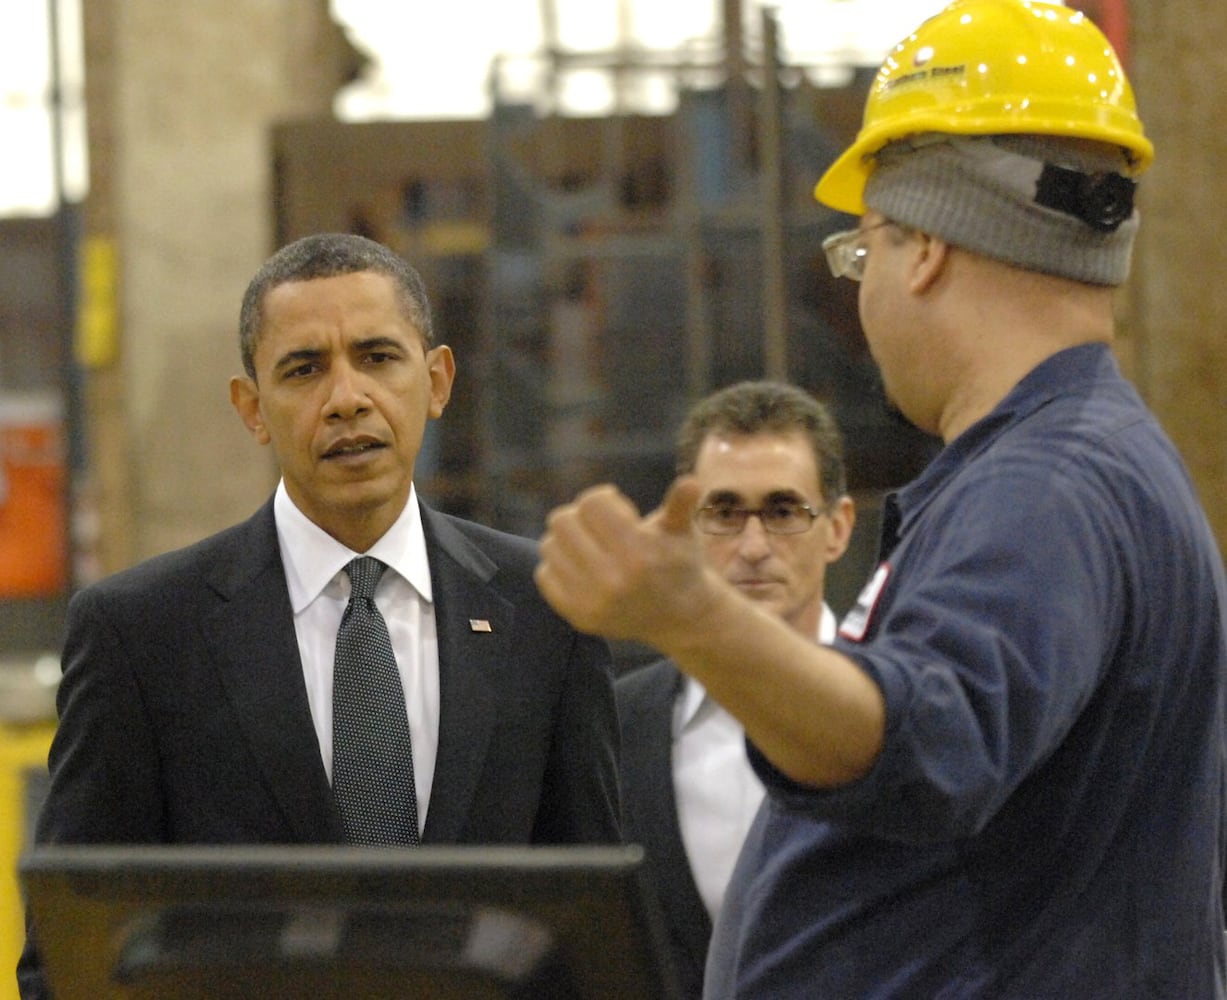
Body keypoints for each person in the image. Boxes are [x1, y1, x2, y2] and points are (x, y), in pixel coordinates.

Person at [534, 2, 1227, 996]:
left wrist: (695, 618)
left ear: (928, 245)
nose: (861, 296)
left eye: (862, 254)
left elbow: (930, 740)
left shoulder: (1045, 488)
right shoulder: (1072, 464)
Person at [18, 233, 621, 998]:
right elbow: (70, 955)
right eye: (304, 370)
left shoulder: (549, 604)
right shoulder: (140, 634)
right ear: (252, 408)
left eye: (377, 357)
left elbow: (598, 930)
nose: (346, 399)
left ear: (436, 381)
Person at [616, 380, 854, 998]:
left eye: (782, 512)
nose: (752, 547)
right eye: (724, 513)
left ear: (838, 527)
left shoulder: (908, 709)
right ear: (687, 527)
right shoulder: (616, 725)